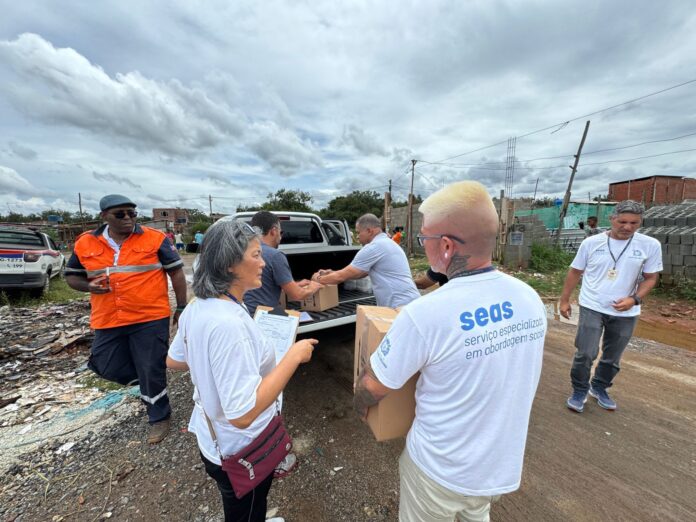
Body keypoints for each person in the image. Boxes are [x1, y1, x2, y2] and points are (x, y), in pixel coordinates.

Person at [354, 181, 547, 521]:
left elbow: (374, 387)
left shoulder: (426, 313)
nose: (422, 246)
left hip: (438, 471)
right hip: (496, 470)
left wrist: (359, 404)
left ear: (445, 246)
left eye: (423, 239)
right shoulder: (529, 299)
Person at [166, 220, 317, 522]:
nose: (263, 262)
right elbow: (243, 413)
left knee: (246, 506)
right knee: (246, 509)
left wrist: (218, 361)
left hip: (212, 440)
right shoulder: (229, 325)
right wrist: (294, 356)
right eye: (256, 254)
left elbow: (174, 360)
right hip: (240, 447)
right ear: (230, 264)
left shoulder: (199, 306)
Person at [64, 194, 187, 444]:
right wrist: (89, 286)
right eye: (120, 214)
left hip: (150, 316)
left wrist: (182, 307)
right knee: (103, 363)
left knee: (151, 366)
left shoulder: (155, 239)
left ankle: (159, 416)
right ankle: (146, 383)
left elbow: (176, 273)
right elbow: (71, 277)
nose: (128, 218)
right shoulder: (85, 243)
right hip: (108, 317)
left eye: (132, 213)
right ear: (104, 216)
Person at [562, 200, 662, 413]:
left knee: (612, 357)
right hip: (592, 305)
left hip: (626, 311)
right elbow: (575, 272)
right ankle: (579, 389)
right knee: (586, 352)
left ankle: (599, 387)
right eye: (622, 221)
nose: (627, 227)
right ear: (612, 219)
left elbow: (651, 278)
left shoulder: (649, 245)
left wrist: (634, 299)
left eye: (634, 223)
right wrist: (564, 300)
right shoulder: (591, 243)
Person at [310, 214, 419, 308]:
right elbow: (359, 273)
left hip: (398, 305)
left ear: (369, 231)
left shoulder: (373, 247)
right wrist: (332, 273)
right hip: (410, 302)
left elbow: (341, 277)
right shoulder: (388, 243)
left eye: (358, 233)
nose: (357, 237)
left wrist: (317, 279)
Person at [244, 211, 324, 317]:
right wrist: (312, 287)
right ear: (273, 231)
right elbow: (296, 295)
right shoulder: (275, 255)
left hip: (244, 314)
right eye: (280, 232)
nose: (280, 237)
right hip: (262, 317)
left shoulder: (243, 251)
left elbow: (263, 285)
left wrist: (294, 284)